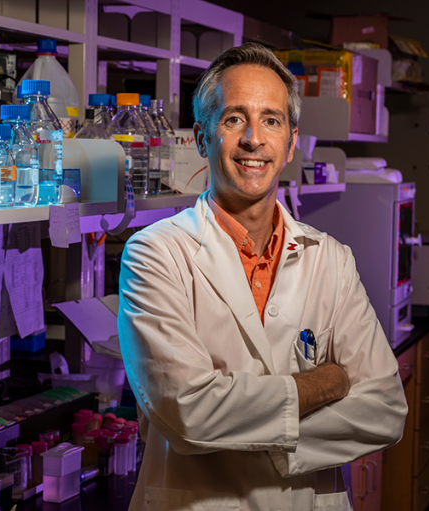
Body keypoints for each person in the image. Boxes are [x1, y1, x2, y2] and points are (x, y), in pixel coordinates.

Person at [118, 42, 408, 511]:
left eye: (271, 120)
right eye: (234, 119)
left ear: (292, 141)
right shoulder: (155, 254)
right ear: (201, 137)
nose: (254, 139)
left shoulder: (331, 259)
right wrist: (323, 385)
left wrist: (241, 421)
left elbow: (386, 411)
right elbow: (188, 412)